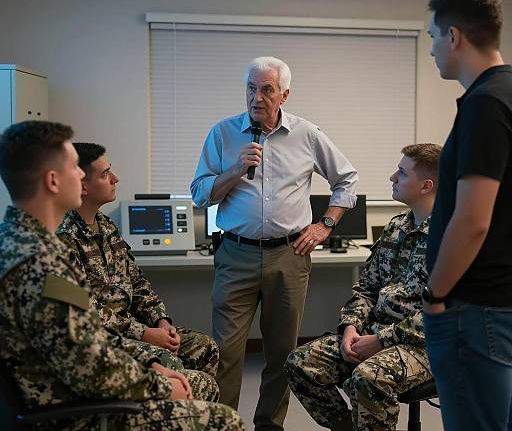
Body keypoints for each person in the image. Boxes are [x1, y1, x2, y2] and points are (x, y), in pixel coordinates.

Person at [0, 120, 245, 431]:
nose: (80, 175)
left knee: (194, 375)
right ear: (53, 181)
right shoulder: (40, 264)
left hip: (75, 392)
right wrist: (158, 383)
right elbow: (90, 367)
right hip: (71, 412)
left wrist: (148, 362)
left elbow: (90, 336)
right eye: (75, 168)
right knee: (225, 419)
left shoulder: (23, 243)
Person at [190, 56, 358, 430]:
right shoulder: (223, 134)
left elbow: (346, 181)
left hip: (290, 255)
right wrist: (234, 170)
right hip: (235, 253)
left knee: (282, 354)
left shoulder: (307, 134)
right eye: (251, 88)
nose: (257, 97)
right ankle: (224, 425)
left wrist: (325, 225)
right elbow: (200, 195)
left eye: (267, 89)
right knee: (226, 352)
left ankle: (270, 425)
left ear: (284, 94)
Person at [286, 143, 441, 431]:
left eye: (402, 173)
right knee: (301, 362)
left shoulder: (450, 236)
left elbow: (443, 313)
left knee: (368, 378)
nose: (393, 178)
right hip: (373, 333)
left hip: (427, 345)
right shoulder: (396, 227)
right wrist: (350, 328)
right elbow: (367, 288)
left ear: (426, 186)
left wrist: (381, 340)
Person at [57, 142, 219, 402]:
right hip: (107, 336)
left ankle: (194, 417)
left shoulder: (106, 225)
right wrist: (143, 334)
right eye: (105, 173)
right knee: (167, 360)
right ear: (82, 185)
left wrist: (161, 322)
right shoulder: (64, 238)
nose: (115, 178)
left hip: (135, 329)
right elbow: (87, 311)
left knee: (206, 347)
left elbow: (137, 282)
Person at [424, 0, 512, 431]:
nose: (433, 51)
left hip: (475, 310)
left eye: (433, 38)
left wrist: (435, 294)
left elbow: (473, 220)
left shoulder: (484, 105)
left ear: (454, 36)